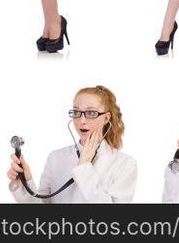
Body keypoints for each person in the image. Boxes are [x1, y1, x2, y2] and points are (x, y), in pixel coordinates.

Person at [8, 85, 136, 203]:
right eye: (76, 112)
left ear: (106, 118)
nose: (82, 120)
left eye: (91, 113)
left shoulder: (124, 164)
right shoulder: (56, 158)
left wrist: (84, 168)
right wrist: (25, 183)